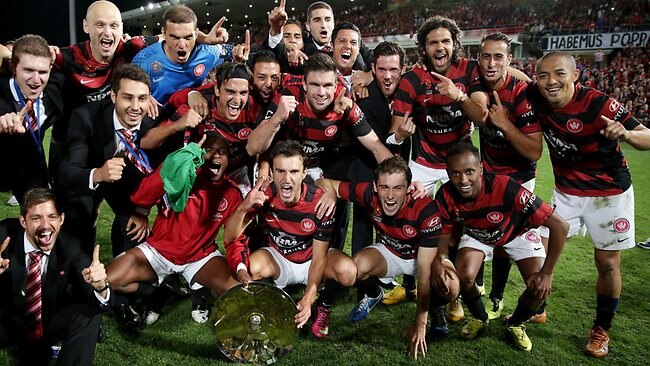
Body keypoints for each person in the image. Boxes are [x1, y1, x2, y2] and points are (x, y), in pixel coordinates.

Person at [532, 51, 650, 358]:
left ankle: (601, 330)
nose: (550, 81)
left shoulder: (598, 103)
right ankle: (538, 307)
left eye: (558, 74)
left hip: (609, 194)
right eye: (543, 75)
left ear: (575, 76)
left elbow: (646, 136)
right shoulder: (538, 95)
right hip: (567, 193)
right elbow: (517, 79)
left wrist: (625, 133)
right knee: (536, 251)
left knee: (607, 264)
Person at [427, 142, 568, 353]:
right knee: (464, 276)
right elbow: (444, 239)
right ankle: (480, 318)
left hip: (517, 234)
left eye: (469, 172)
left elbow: (560, 226)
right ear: (447, 173)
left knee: (538, 287)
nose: (463, 180)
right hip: (478, 235)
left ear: (481, 169)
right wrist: (442, 259)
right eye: (455, 174)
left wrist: (547, 273)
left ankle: (516, 323)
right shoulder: (445, 194)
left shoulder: (506, 187)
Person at [223, 140, 357, 339]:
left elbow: (320, 257)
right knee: (248, 269)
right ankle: (273, 302)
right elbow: (229, 237)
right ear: (273, 173)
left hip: (311, 258)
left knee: (348, 272)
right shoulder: (263, 196)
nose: (287, 179)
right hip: (279, 258)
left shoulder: (319, 201)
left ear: (304, 174)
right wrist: (243, 207)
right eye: (280, 171)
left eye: (294, 172)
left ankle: (323, 306)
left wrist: (309, 298)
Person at [104, 133, 241, 325]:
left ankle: (199, 292)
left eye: (223, 152)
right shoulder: (181, 174)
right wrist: (175, 163)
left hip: (200, 257)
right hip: (159, 251)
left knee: (237, 294)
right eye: (209, 150)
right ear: (199, 154)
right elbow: (142, 195)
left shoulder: (232, 193)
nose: (216, 156)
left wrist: (241, 268)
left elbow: (235, 238)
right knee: (106, 280)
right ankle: (155, 289)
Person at [471, 32, 544, 322]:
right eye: (486, 56)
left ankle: (497, 296)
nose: (491, 63)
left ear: (509, 60)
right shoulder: (476, 79)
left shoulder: (524, 94)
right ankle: (477, 286)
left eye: (498, 57)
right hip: (487, 177)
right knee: (477, 231)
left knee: (505, 243)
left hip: (518, 180)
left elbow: (534, 151)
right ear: (478, 59)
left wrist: (504, 125)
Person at [315, 156, 439, 322]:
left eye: (398, 188)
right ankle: (374, 293)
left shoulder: (425, 209)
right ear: (375, 187)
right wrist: (330, 191)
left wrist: (420, 323)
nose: (390, 195)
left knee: (448, 284)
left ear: (409, 188)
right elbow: (323, 182)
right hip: (391, 252)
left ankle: (437, 311)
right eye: (384, 187)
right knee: (355, 268)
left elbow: (425, 270)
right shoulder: (368, 193)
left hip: (422, 258)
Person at [0, 188, 110, 365]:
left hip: (48, 321)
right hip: (7, 319)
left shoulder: (72, 245)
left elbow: (101, 302)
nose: (45, 225)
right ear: (23, 221)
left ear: (62, 219)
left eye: (52, 217)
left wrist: (101, 287)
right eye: (36, 218)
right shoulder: (3, 235)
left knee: (90, 312)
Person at [58, 64, 155, 257]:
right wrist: (98, 174)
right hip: (91, 173)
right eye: (127, 97)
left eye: (142, 99)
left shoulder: (153, 123)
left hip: (126, 185)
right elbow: (66, 172)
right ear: (113, 97)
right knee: (76, 229)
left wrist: (142, 210)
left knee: (133, 233)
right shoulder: (85, 117)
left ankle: (123, 258)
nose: (135, 107)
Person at [389, 15, 488, 194]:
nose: (440, 47)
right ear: (424, 49)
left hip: (462, 161)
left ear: (454, 45)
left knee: (467, 218)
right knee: (414, 218)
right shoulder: (411, 80)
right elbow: (392, 135)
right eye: (433, 43)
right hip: (423, 165)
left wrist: (459, 96)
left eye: (445, 41)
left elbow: (481, 117)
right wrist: (400, 136)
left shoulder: (469, 69)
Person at [349, 41, 416, 304]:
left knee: (405, 225)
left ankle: (408, 283)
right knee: (364, 227)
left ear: (403, 69)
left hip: (403, 168)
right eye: (382, 69)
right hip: (367, 168)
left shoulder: (410, 92)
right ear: (373, 69)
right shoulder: (363, 94)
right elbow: (371, 140)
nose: (388, 76)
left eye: (394, 70)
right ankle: (364, 287)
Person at [141, 63, 257, 195]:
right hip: (199, 173)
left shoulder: (255, 109)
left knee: (249, 204)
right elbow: (146, 142)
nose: (237, 100)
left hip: (236, 172)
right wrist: (178, 124)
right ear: (217, 90)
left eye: (243, 93)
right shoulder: (198, 105)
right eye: (230, 92)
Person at [0, 35, 63, 204]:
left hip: (32, 166)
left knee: (42, 215)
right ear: (13, 67)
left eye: (42, 72)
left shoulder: (56, 90)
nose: (36, 80)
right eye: (28, 70)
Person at [132, 4, 233, 106]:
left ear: (196, 34)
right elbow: (127, 90)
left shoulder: (209, 52)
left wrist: (238, 55)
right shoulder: (143, 60)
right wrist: (142, 97)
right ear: (164, 33)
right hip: (155, 119)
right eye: (174, 37)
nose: (181, 45)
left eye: (188, 38)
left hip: (192, 116)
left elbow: (232, 52)